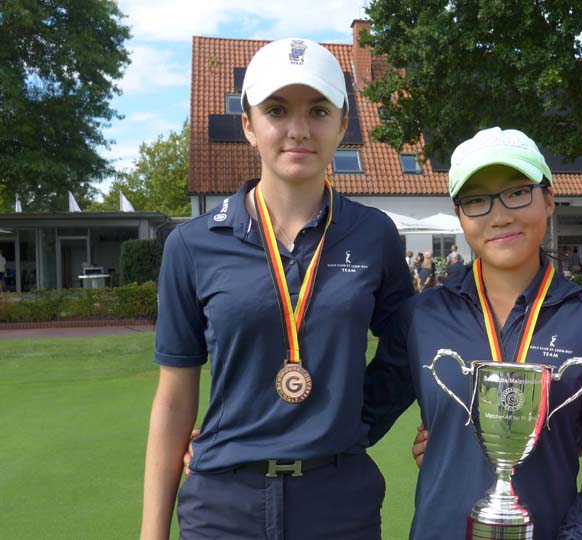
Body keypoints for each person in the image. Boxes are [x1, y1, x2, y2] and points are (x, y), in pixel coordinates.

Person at [140, 38, 414, 540]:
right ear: (248, 125)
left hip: (339, 503)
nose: (298, 130)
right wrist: (151, 534)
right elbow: (174, 398)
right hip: (223, 504)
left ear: (342, 123)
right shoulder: (192, 245)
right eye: (276, 110)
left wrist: (355, 423)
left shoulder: (374, 236)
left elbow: (407, 350)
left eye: (317, 110)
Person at [363, 127, 582, 540]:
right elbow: (359, 421)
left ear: (549, 200)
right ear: (460, 215)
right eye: (476, 200)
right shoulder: (421, 317)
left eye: (517, 192)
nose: (499, 214)